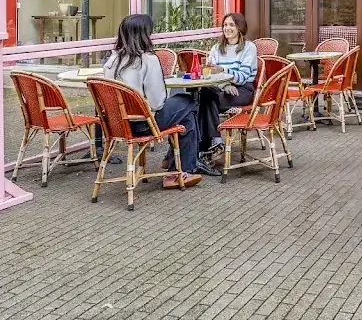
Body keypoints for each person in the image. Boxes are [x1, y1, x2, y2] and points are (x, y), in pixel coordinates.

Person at [102, 14, 202, 189]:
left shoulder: (111, 61)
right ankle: (181, 169)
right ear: (143, 35)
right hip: (143, 125)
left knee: (187, 117)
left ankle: (174, 163)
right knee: (189, 102)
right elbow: (157, 103)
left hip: (116, 125)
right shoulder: (148, 60)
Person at [197, 13, 259, 172]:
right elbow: (209, 75)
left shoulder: (249, 47)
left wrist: (223, 71)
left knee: (203, 101)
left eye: (231, 25)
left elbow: (243, 77)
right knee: (204, 96)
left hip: (243, 90)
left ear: (240, 28)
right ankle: (215, 143)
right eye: (225, 25)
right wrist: (225, 85)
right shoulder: (217, 48)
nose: (227, 28)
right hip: (220, 89)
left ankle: (206, 146)